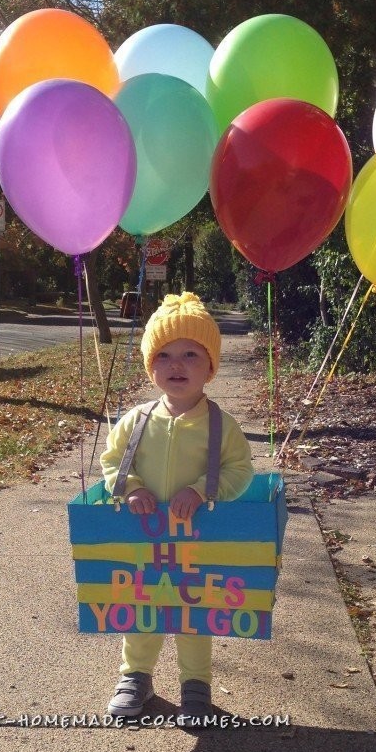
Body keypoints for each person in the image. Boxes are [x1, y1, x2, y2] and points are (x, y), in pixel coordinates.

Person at [100, 292, 254, 725]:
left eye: (190, 354)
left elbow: (240, 470)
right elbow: (112, 461)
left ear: (210, 366)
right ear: (151, 368)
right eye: (164, 355)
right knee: (142, 609)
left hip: (196, 539)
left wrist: (206, 490)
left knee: (193, 614)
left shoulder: (221, 425)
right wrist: (128, 487)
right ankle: (136, 676)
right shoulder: (137, 420)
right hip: (144, 538)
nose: (176, 364)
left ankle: (195, 684)